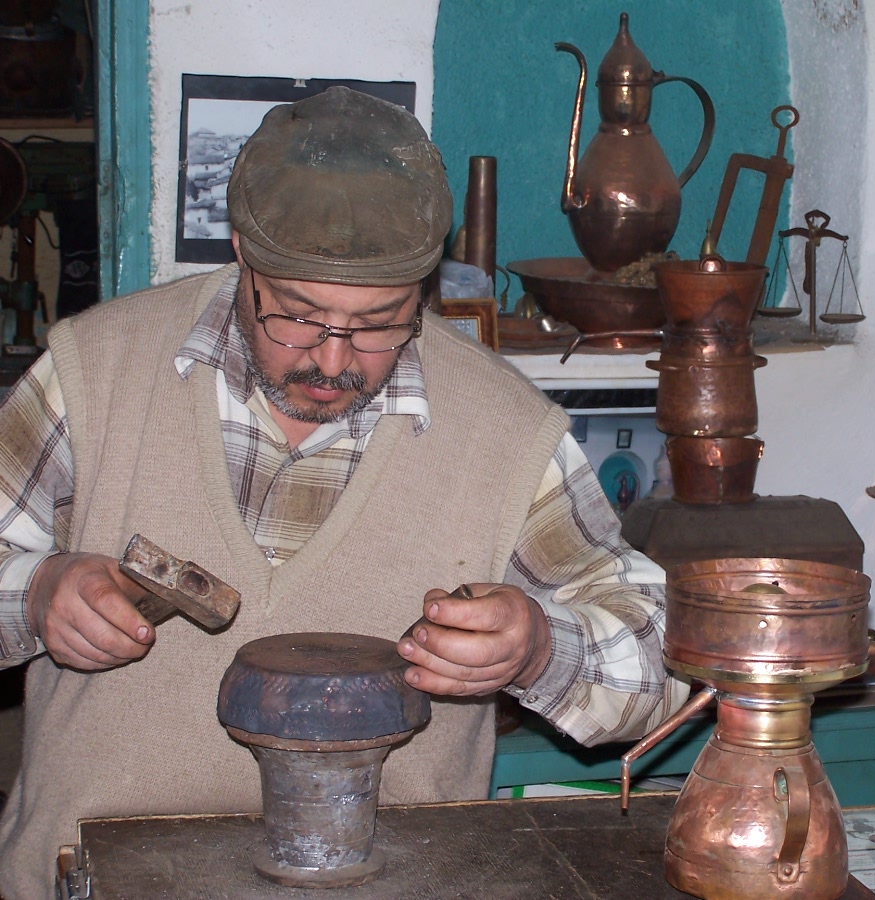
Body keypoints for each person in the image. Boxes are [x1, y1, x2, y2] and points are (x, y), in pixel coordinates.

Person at [0, 87, 688, 898]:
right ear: (241, 259)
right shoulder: (96, 374)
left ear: (424, 287)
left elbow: (665, 658)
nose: (332, 362)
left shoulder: (505, 431)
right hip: (97, 879)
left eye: (378, 324)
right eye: (296, 316)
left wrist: (541, 648)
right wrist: (36, 591)